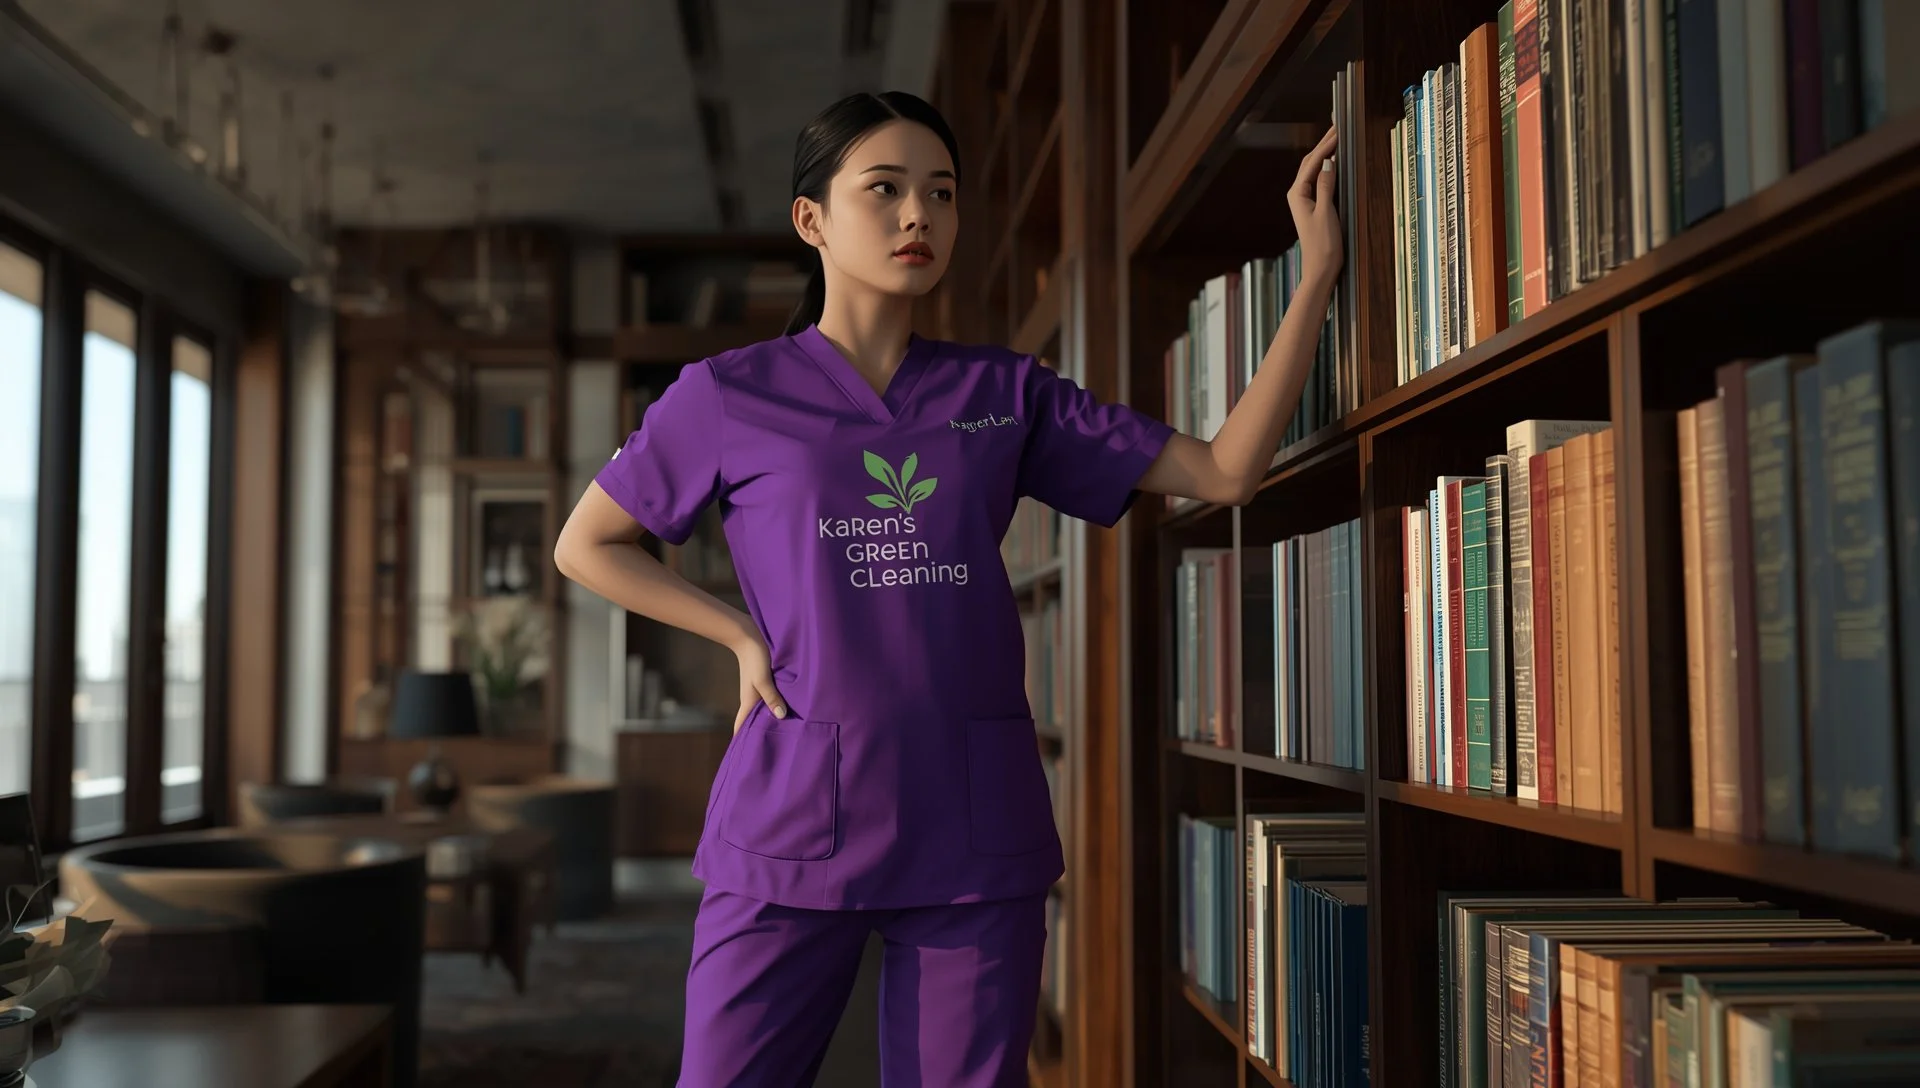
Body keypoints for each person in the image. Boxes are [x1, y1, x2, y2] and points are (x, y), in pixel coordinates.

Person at [554, 89, 1341, 1088]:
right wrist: (738, 635)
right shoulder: (727, 394)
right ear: (812, 220)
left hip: (970, 820)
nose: (917, 215)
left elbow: (1224, 471)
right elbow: (588, 543)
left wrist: (1314, 275)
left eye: (941, 193)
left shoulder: (1006, 395)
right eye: (883, 190)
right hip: (792, 804)